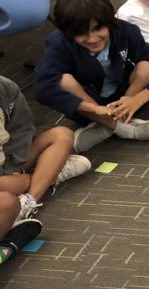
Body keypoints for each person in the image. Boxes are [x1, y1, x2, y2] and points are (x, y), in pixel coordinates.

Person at [34, 0, 149, 154]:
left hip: (123, 98)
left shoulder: (126, 31)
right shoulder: (58, 42)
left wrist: (134, 99)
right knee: (64, 80)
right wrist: (94, 109)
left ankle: (104, 127)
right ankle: (127, 130)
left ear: (109, 21)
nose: (92, 39)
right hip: (87, 106)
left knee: (148, 66)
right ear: (68, 33)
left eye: (98, 29)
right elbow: (42, 89)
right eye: (81, 34)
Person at [1, 75, 90, 223]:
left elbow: (22, 129)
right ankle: (46, 175)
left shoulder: (7, 87)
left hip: (10, 159)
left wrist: (12, 170)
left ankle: (28, 201)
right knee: (11, 193)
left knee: (62, 135)